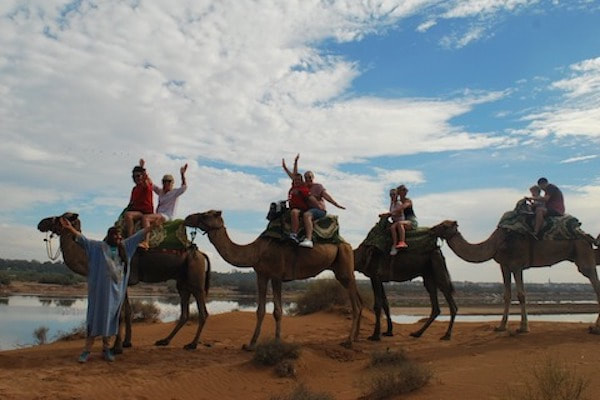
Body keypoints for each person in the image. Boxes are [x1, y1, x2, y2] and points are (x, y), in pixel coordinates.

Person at [59, 217, 159, 363]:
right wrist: (70, 228)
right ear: (109, 236)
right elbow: (83, 239)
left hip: (115, 296)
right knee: (93, 320)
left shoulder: (125, 247)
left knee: (110, 322)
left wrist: (152, 227)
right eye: (115, 235)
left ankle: (106, 349)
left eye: (119, 235)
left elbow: (138, 235)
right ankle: (86, 351)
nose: (118, 238)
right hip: (99, 294)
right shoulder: (98, 247)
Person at [299, 169, 345, 248]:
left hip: (318, 210)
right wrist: (287, 167)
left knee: (307, 215)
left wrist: (336, 204)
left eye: (310, 177)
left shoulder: (318, 186)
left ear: (313, 177)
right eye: (306, 177)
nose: (308, 179)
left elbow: (326, 196)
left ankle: (309, 239)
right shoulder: (303, 187)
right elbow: (294, 176)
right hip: (307, 209)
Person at [123, 159, 154, 240]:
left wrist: (142, 168)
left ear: (142, 176)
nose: (136, 178)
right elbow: (131, 202)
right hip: (136, 211)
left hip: (144, 212)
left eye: (138, 176)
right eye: (134, 177)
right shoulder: (134, 189)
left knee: (128, 215)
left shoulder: (146, 185)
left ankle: (130, 238)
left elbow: (146, 181)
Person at [282, 155, 309, 243]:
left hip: (301, 209)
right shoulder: (294, 186)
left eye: (298, 180)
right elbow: (294, 175)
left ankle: (294, 234)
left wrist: (296, 162)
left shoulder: (303, 187)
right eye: (295, 180)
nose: (296, 181)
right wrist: (285, 168)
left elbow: (295, 173)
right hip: (292, 207)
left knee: (294, 212)